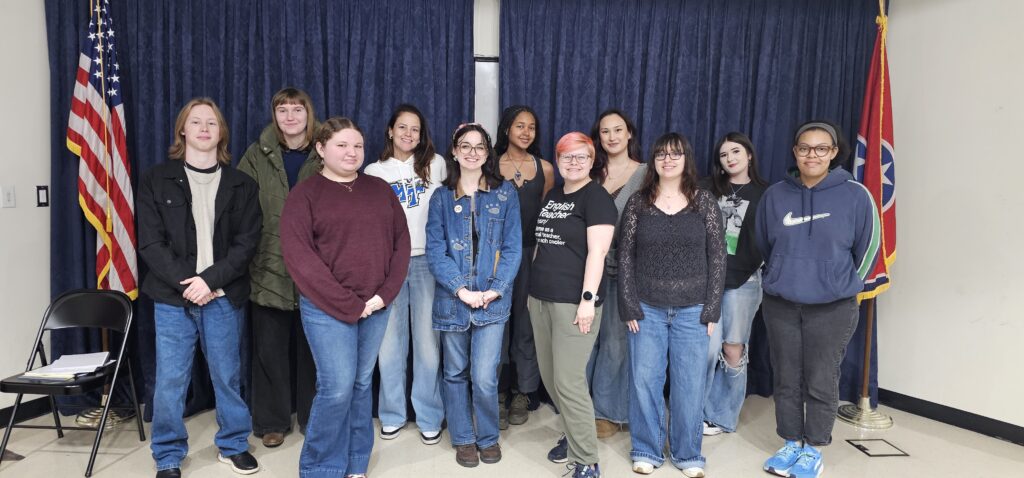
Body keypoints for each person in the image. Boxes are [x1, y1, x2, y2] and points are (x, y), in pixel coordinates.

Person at [137, 98, 261, 478]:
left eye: (212, 122)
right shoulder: (156, 179)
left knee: (227, 375)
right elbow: (150, 242)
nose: (205, 128)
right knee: (171, 379)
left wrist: (209, 280)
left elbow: (246, 244)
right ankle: (168, 454)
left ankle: (234, 444)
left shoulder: (242, 184)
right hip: (173, 300)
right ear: (183, 131)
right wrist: (189, 284)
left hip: (223, 296)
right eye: (196, 122)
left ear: (221, 132)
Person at [280, 117, 411, 478]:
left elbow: (401, 244)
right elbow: (300, 259)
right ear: (321, 149)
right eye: (341, 145)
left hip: (376, 307)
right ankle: (320, 469)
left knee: (359, 385)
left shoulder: (379, 189)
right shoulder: (304, 195)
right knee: (336, 388)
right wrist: (350, 305)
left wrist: (383, 296)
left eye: (357, 146)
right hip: (328, 310)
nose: (351, 152)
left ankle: (355, 464)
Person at [756, 120, 879, 478]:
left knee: (821, 378)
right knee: (786, 377)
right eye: (805, 148)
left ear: (834, 153)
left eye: (821, 148)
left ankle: (814, 448)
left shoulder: (856, 196)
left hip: (833, 306)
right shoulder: (776, 195)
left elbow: (869, 249)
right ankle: (791, 441)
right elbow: (765, 243)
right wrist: (780, 273)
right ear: (795, 152)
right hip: (782, 302)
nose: (812, 155)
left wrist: (843, 282)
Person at [618, 132, 726, 478]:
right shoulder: (638, 202)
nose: (668, 160)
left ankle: (688, 454)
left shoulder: (704, 201)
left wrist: (712, 308)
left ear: (686, 159)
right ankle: (646, 449)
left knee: (689, 384)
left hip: (693, 309)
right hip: (646, 308)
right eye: (661, 154)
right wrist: (629, 305)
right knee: (644, 381)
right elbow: (625, 257)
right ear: (654, 160)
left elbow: (718, 257)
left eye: (675, 154)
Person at [425, 123, 523, 467]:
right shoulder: (440, 197)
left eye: (479, 147)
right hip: (454, 301)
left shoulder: (504, 193)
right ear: (454, 151)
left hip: (493, 302)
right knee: (454, 372)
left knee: (484, 376)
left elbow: (512, 248)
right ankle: (464, 438)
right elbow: (436, 251)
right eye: (464, 146)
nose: (472, 152)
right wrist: (461, 290)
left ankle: (487, 437)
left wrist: (495, 289)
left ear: (487, 153)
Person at [237, 87, 320, 448]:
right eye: (282, 110)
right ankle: (272, 421)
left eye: (296, 109)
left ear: (308, 114)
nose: (290, 116)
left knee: (313, 350)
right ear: (275, 115)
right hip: (268, 264)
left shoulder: (324, 150)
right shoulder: (257, 154)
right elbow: (239, 204)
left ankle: (314, 417)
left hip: (316, 268)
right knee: (268, 350)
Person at [530, 132, 616, 478]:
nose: (574, 162)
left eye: (581, 156)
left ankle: (587, 461)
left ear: (592, 160)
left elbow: (598, 252)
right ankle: (574, 433)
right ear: (558, 159)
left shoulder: (596, 198)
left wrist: (587, 301)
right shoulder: (553, 194)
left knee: (569, 382)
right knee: (551, 380)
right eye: (567, 156)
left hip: (574, 302)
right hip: (540, 298)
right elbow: (543, 244)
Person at [364, 104, 447, 445]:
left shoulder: (436, 163)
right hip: (390, 263)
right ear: (390, 130)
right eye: (402, 127)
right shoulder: (373, 170)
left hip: (428, 260)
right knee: (390, 345)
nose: (408, 134)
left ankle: (429, 415)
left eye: (415, 128)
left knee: (428, 346)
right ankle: (392, 414)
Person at [698, 132, 768, 437]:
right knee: (704, 348)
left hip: (744, 281)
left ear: (749, 154)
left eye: (736, 151)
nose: (730, 158)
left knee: (733, 348)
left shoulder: (766, 193)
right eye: (724, 154)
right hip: (705, 279)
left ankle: (722, 416)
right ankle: (695, 410)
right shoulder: (705, 188)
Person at [587, 109, 647, 438]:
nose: (612, 136)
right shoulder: (590, 172)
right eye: (605, 131)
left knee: (615, 341)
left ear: (629, 135)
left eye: (618, 130)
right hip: (586, 268)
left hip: (627, 269)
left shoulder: (646, 173)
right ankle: (580, 408)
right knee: (584, 339)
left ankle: (608, 413)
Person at [493, 105, 554, 428]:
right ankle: (498, 392)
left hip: (531, 255)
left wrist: (540, 254)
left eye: (531, 127)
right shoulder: (490, 164)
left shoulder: (544, 168)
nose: (526, 132)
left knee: (526, 325)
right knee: (497, 325)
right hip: (497, 257)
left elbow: (546, 217)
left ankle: (523, 391)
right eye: (520, 126)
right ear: (507, 129)